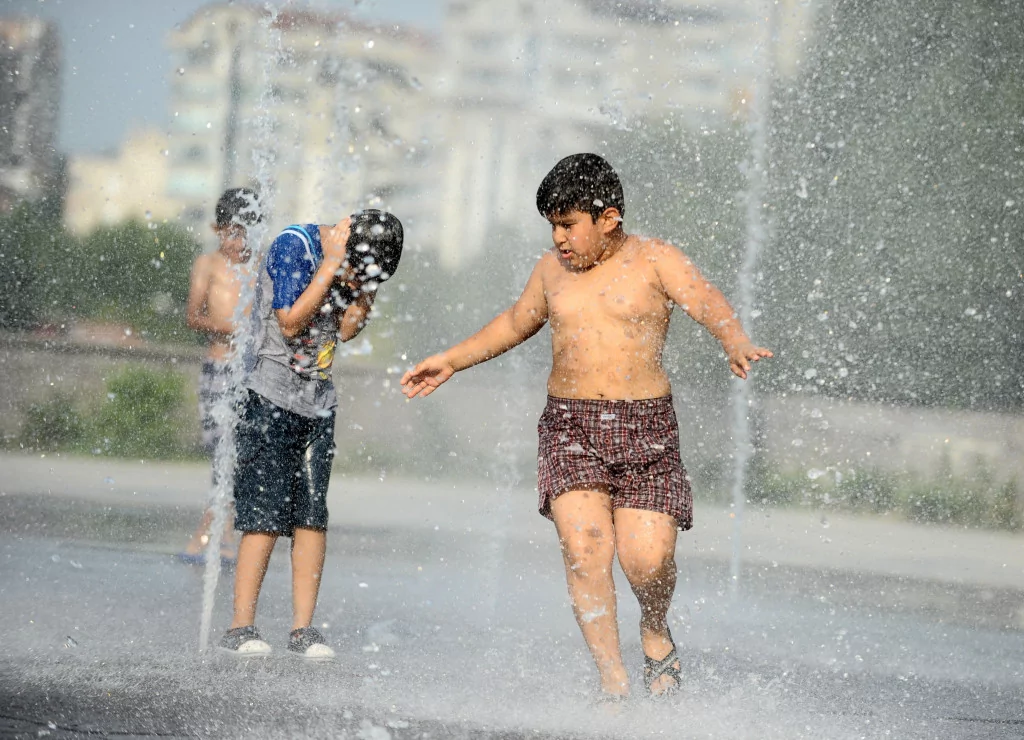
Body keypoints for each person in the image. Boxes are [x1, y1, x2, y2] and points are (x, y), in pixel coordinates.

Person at [401, 153, 771, 699]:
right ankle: (613, 682)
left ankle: (654, 625)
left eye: (568, 224)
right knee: (585, 549)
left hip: (645, 428)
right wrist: (452, 360)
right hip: (570, 426)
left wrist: (734, 339)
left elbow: (706, 301)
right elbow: (514, 321)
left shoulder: (655, 259)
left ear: (609, 217)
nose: (559, 238)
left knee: (646, 560)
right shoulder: (551, 270)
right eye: (552, 226)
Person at [220, 209, 404, 659]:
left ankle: (302, 629)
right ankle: (241, 626)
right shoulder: (295, 248)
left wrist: (366, 289)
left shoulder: (354, 266)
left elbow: (345, 329)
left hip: (317, 404)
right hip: (268, 398)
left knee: (311, 514)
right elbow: (289, 321)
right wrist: (330, 265)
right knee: (263, 514)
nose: (356, 280)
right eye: (357, 271)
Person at [178, 187, 262, 567]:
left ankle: (213, 532)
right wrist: (233, 328)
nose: (237, 242)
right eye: (231, 233)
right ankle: (217, 529)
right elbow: (194, 316)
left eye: (245, 233)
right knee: (218, 448)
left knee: (240, 452)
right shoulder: (208, 265)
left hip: (251, 372)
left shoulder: (261, 264)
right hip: (217, 367)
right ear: (217, 228)